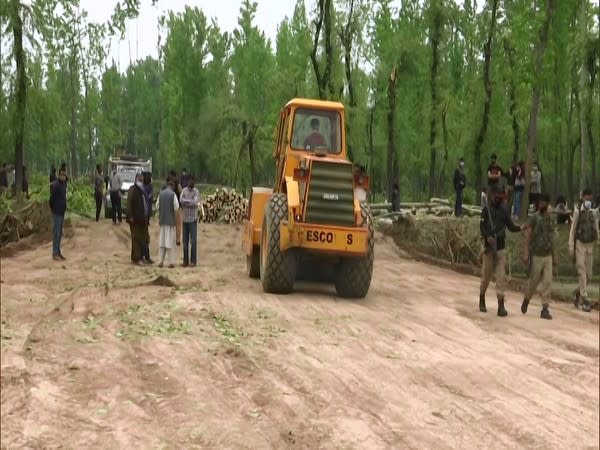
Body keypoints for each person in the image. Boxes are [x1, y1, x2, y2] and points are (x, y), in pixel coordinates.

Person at [479, 184, 524, 316]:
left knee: (501, 277)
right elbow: (482, 227)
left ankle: (501, 305)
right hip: (489, 248)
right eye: (497, 195)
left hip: (501, 247)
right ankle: (482, 297)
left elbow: (510, 226)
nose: (499, 198)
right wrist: (487, 237)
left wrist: (521, 228)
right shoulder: (486, 210)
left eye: (501, 196)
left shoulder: (504, 210)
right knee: (486, 276)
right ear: (492, 195)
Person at [521, 193, 556, 320]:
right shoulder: (534, 218)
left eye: (544, 202)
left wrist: (554, 256)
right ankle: (527, 298)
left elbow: (552, 238)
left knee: (547, 282)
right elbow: (528, 235)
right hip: (536, 254)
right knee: (534, 282)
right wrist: (525, 252)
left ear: (547, 204)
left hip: (547, 255)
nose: (542, 204)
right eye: (540, 202)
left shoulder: (551, 218)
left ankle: (545, 308)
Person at [569, 188, 599, 312]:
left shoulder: (592, 213)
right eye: (586, 198)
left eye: (590, 198)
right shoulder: (577, 212)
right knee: (581, 270)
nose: (588, 200)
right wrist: (571, 245)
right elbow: (573, 229)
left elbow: (596, 227)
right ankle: (585, 299)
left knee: (589, 274)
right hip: (580, 244)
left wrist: (598, 240)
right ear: (582, 197)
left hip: (589, 245)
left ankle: (578, 293)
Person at [156, 179, 180, 268]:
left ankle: (160, 262)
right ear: (172, 186)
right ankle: (171, 262)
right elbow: (176, 207)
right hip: (170, 222)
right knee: (170, 243)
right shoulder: (173, 194)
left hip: (162, 221)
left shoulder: (161, 194)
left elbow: (157, 205)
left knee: (161, 242)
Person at [126, 172, 149, 265]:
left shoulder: (142, 190)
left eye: (142, 178)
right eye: (139, 178)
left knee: (143, 238)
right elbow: (129, 203)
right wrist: (130, 216)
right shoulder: (133, 189)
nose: (141, 179)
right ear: (136, 179)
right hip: (134, 219)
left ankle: (140, 257)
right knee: (136, 238)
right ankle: (137, 258)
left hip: (142, 218)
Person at [180, 176, 200, 267]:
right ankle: (185, 261)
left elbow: (195, 202)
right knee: (185, 242)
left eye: (193, 181)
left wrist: (186, 202)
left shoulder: (196, 191)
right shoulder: (184, 190)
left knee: (193, 241)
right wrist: (190, 201)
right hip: (185, 219)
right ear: (188, 181)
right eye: (190, 181)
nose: (191, 182)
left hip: (193, 219)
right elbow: (181, 200)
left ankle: (193, 261)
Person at [49, 168, 68, 261]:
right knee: (56, 233)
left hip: (62, 212)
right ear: (59, 175)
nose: (63, 176)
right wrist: (53, 209)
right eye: (62, 175)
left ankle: (58, 252)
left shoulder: (64, 185)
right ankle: (54, 253)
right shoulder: (56, 185)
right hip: (56, 212)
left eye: (64, 175)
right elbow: (51, 199)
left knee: (60, 233)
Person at [141, 171, 154, 264]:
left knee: (144, 237)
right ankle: (145, 257)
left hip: (144, 215)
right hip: (144, 215)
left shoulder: (143, 188)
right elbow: (149, 201)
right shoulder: (147, 188)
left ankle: (143, 256)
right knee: (145, 237)